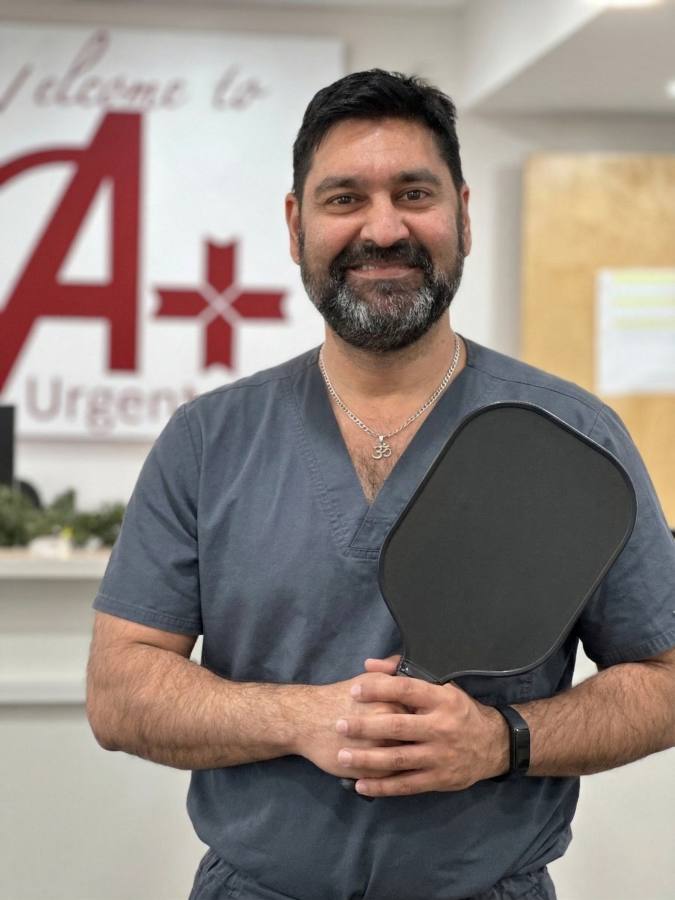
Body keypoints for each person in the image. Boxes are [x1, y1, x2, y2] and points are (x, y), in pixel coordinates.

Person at [86, 70, 675, 900]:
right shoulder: (207, 442)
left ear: (464, 215)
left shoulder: (573, 437)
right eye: (343, 199)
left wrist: (504, 738)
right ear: (296, 226)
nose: (384, 227)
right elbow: (119, 692)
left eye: (413, 192)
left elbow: (664, 679)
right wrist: (301, 719)